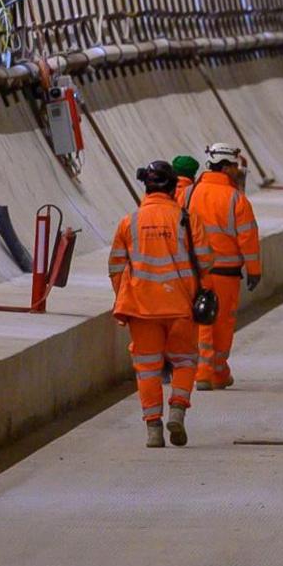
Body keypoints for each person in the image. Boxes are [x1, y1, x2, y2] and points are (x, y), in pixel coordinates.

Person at [106, 160, 199, 445]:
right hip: (181, 306)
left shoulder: (129, 221)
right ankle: (178, 411)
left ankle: (153, 430)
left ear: (146, 187)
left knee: (147, 368)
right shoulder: (187, 219)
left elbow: (115, 267)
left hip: (142, 309)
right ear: (173, 187)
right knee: (184, 361)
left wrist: (125, 296)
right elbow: (206, 260)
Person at [181, 144, 262, 387]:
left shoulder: (189, 193)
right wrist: (254, 270)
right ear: (225, 167)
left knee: (200, 319)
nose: (237, 171)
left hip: (195, 270)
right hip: (225, 273)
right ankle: (210, 370)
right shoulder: (236, 199)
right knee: (222, 322)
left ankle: (213, 371)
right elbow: (248, 237)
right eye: (234, 166)